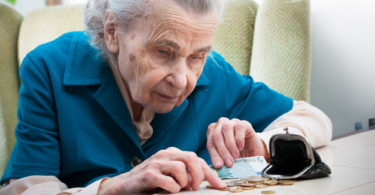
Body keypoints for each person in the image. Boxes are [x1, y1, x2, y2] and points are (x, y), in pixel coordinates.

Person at [0, 0, 332, 194]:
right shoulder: (49, 67)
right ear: (113, 32)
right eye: (163, 51)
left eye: (197, 56)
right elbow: (25, 188)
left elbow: (314, 119)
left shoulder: (214, 72)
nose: (183, 79)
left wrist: (260, 142)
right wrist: (113, 188)